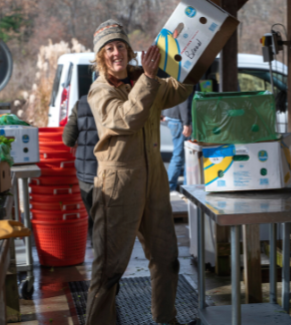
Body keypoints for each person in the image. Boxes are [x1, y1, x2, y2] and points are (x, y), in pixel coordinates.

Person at [85, 19, 194, 325]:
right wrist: (148, 78)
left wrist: (191, 55)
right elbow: (127, 119)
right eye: (109, 48)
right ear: (100, 56)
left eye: (120, 45)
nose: (116, 52)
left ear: (129, 49)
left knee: (167, 259)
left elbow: (179, 91)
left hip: (154, 179)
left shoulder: (143, 78)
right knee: (110, 269)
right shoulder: (100, 90)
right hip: (118, 184)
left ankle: (165, 320)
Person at [61, 95, 98, 240]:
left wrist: (78, 141)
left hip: (85, 174)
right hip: (109, 172)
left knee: (93, 218)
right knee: (109, 220)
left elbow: (67, 139)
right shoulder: (119, 100)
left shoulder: (81, 103)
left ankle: (98, 254)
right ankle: (109, 257)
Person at [162, 82, 198, 192]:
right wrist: (186, 123)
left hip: (174, 118)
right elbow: (184, 100)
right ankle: (173, 187)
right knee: (182, 157)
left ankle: (183, 187)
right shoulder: (188, 77)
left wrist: (164, 113)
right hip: (180, 120)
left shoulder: (178, 74)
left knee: (183, 156)